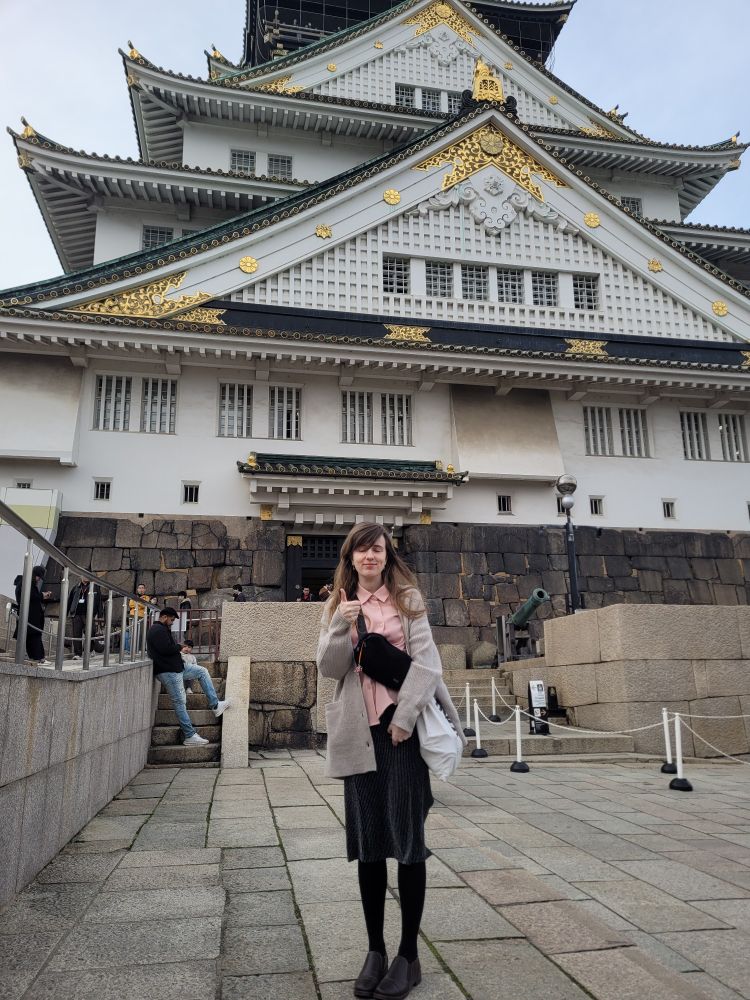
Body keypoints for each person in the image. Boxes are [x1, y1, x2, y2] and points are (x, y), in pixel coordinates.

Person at [317, 523, 464, 1000]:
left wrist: (404, 718)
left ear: (386, 555)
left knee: (408, 841)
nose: (369, 557)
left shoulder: (409, 601)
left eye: (377, 549)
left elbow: (428, 667)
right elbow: (329, 668)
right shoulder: (339, 603)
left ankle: (408, 955)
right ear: (351, 557)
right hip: (358, 735)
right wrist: (341, 621)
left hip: (401, 735)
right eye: (361, 550)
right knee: (369, 844)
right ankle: (375, 950)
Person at [147, 607, 231, 746]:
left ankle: (215, 705)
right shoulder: (157, 630)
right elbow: (165, 649)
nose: (172, 622)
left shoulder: (163, 629)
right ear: (164, 617)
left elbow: (167, 648)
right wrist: (178, 647)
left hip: (177, 668)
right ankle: (189, 735)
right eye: (171, 620)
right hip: (169, 672)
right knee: (180, 702)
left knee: (202, 671)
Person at [14, 565, 52, 664]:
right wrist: (42, 595)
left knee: (31, 636)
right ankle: (39, 658)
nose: (39, 579)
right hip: (30, 616)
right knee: (34, 636)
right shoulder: (26, 583)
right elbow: (30, 596)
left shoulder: (25, 582)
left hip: (29, 615)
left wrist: (41, 595)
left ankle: (35, 657)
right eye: (38, 576)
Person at [67, 576, 103, 659]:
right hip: (76, 614)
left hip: (89, 614)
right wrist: (67, 612)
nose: (85, 577)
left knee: (91, 632)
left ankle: (89, 650)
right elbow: (70, 600)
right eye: (83, 575)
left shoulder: (95, 587)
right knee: (76, 634)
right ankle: (77, 653)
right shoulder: (76, 587)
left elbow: (99, 600)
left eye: (87, 575)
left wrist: (100, 614)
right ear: (80, 576)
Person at [125, 582, 150, 651]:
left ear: (145, 589)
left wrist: (136, 603)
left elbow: (144, 605)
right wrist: (140, 603)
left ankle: (139, 649)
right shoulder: (133, 596)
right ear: (137, 589)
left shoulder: (147, 597)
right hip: (132, 616)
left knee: (141, 633)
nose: (141, 589)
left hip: (141, 617)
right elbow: (130, 604)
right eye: (140, 588)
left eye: (142, 588)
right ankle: (131, 649)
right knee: (132, 633)